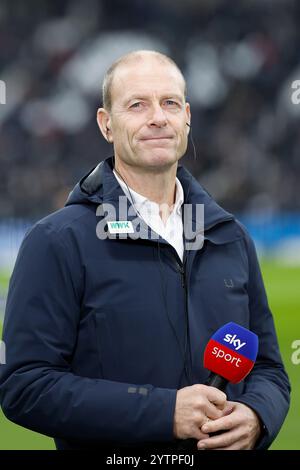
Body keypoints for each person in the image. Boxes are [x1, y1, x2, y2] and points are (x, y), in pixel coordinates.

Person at [0, 50, 290, 451]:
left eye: (169, 103)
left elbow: (270, 369)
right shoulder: (56, 241)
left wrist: (258, 415)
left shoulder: (230, 237)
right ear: (106, 125)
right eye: (137, 105)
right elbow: (25, 386)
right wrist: (164, 412)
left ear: (187, 116)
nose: (157, 117)